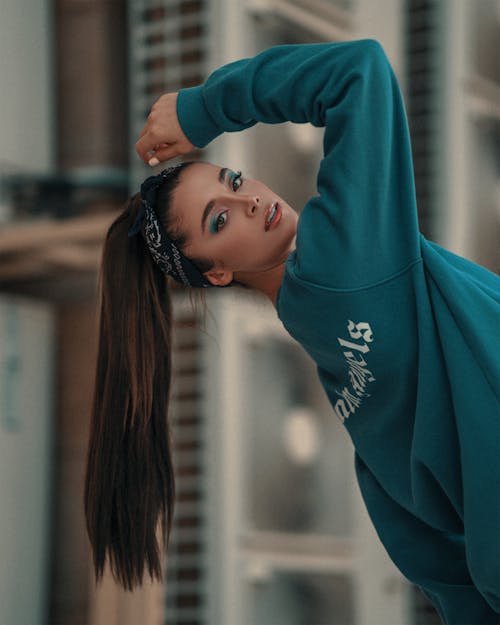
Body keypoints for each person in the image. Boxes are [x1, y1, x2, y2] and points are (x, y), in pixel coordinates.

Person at [84, 39, 500, 624]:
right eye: (219, 218)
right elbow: (358, 72)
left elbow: (427, 550)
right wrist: (204, 109)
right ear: (216, 273)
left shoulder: (334, 361)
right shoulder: (343, 270)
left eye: (231, 177)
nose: (250, 199)